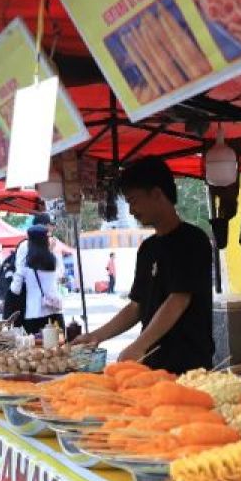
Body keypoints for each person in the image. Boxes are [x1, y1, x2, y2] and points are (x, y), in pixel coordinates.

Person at [75, 157, 214, 373]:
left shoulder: (193, 241)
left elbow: (178, 299)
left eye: (133, 201)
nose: (131, 211)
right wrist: (96, 336)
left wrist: (139, 345)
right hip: (151, 365)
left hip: (189, 366)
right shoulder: (147, 249)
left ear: (157, 194)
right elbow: (136, 306)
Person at [11, 225, 65, 335]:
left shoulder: (25, 266)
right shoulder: (54, 259)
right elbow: (60, 276)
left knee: (37, 349)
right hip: (55, 312)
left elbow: (15, 289)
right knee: (57, 349)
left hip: (34, 314)